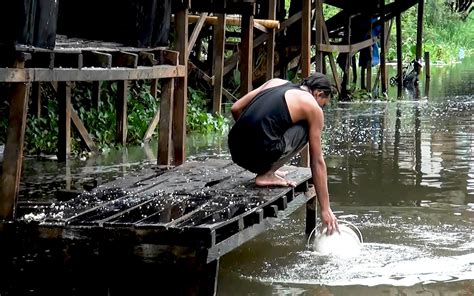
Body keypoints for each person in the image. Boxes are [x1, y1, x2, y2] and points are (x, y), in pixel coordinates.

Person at [228, 72, 339, 234]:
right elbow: (317, 161)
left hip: (236, 150)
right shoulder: (312, 107)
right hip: (260, 154)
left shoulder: (275, 82)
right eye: (323, 104)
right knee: (307, 128)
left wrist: (251, 139)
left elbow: (236, 108)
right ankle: (267, 173)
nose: (321, 108)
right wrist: (326, 209)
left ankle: (267, 166)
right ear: (318, 93)